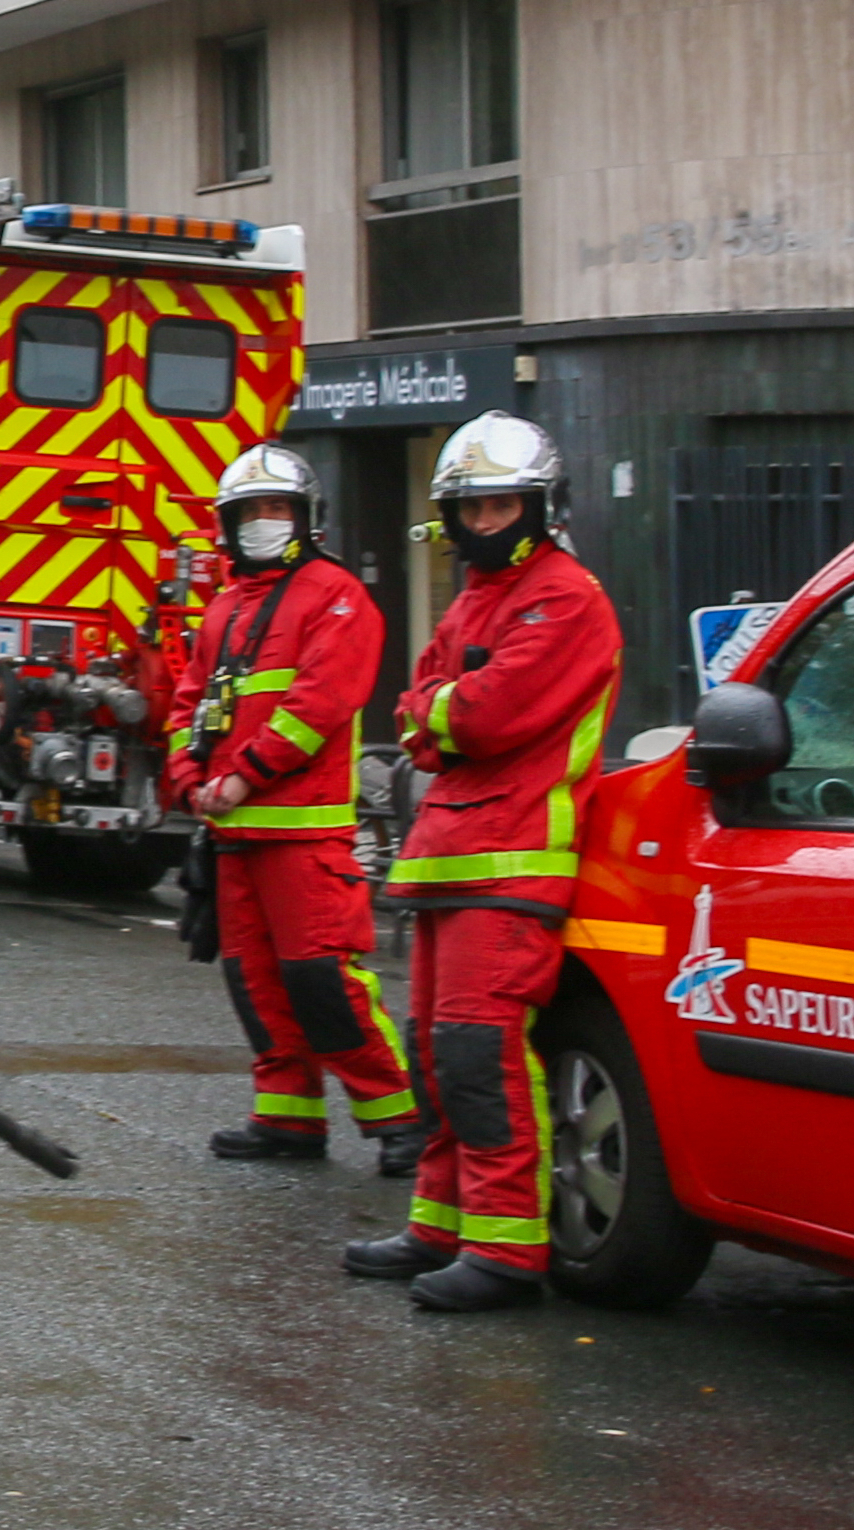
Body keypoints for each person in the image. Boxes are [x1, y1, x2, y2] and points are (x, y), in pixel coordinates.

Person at [343, 411, 620, 1314]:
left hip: (512, 862)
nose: (483, 522)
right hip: (448, 857)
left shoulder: (566, 597)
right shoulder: (477, 599)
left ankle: (507, 1247)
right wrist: (439, 709)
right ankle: (439, 1223)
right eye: (471, 506)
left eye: (500, 505)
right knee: (434, 1052)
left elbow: (482, 715)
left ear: (539, 506)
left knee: (478, 1052)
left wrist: (439, 709)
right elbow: (416, 708)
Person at [163, 444, 422, 1179]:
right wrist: (188, 778)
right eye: (251, 511)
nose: (264, 522)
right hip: (235, 834)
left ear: (307, 518)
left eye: (277, 509)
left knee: (323, 982)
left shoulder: (336, 595)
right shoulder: (223, 609)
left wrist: (241, 777)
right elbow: (190, 706)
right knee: (255, 981)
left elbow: (320, 701)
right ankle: (287, 1114)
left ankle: (398, 1117)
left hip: (302, 831)